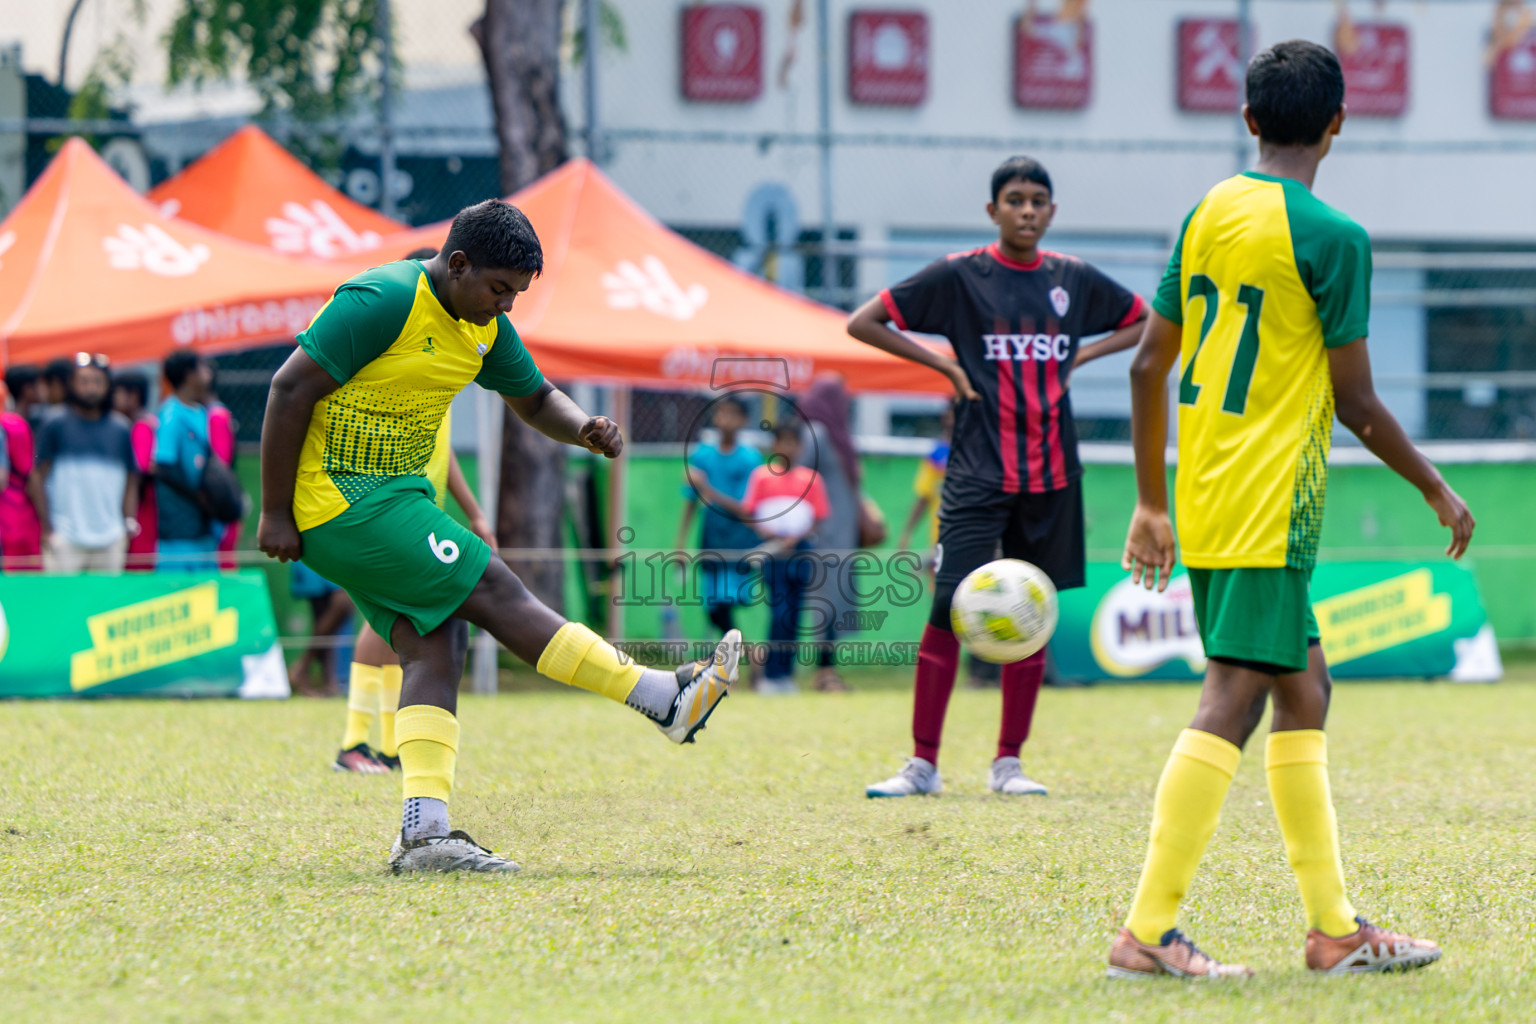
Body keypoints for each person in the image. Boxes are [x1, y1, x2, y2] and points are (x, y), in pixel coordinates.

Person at [1108, 41, 1472, 980]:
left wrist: (1152, 500)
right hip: (1271, 499)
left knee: (1304, 687)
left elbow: (1149, 363)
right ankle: (1148, 933)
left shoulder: (1207, 211)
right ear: (1339, 124)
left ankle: (1333, 931)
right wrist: (1432, 484)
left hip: (1209, 485)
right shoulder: (1333, 237)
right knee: (1232, 697)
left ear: (1249, 120)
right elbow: (1355, 401)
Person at [258, 199, 740, 874]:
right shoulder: (382, 299)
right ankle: (661, 697)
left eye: (517, 295)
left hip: (392, 498)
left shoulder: (480, 323)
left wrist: (584, 428)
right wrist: (274, 512)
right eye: (499, 290)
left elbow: (536, 398)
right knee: (490, 586)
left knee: (435, 640)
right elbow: (287, 390)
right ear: (458, 265)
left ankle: (425, 834)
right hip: (339, 498)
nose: (506, 307)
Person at [848, 154, 1148, 799]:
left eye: (1038, 201)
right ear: (993, 210)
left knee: (1030, 611)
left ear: (1052, 211)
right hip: (977, 473)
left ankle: (1008, 763)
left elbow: (1146, 319)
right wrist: (948, 370)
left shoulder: (1072, 278)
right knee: (947, 606)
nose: (1027, 211)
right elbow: (863, 321)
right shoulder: (961, 277)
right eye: (1014, 200)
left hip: (1051, 472)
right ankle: (921, 765)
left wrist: (1080, 354)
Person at [335, 412, 497, 774]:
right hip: (392, 512)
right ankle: (353, 744)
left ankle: (392, 749)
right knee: (381, 621)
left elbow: (443, 449)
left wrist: (475, 513)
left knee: (401, 624)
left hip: (422, 515)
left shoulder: (443, 383)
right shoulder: (410, 374)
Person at [896, 408, 999, 690]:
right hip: (942, 544)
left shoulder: (982, 451)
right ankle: (952, 672)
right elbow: (923, 496)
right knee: (948, 609)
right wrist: (906, 534)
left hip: (978, 541)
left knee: (981, 605)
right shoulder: (937, 456)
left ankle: (984, 671)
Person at [739, 425, 831, 695]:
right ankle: (771, 674)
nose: (788, 448)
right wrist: (774, 535)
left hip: (801, 551)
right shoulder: (761, 477)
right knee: (778, 611)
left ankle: (786, 676)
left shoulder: (811, 479)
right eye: (784, 442)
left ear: (800, 447)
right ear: (775, 446)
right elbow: (751, 514)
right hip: (774, 552)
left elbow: (819, 517)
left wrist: (797, 537)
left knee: (794, 612)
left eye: (794, 443)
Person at [29, 353, 139, 573]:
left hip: (111, 538)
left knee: (107, 606)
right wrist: (48, 528)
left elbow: (131, 478)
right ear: (73, 385)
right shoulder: (55, 423)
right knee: (64, 605)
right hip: (66, 537)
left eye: (98, 382)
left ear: (108, 386)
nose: (91, 388)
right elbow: (37, 476)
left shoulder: (121, 429)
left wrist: (127, 523)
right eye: (84, 381)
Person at [794, 374, 863, 693]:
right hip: (824, 534)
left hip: (841, 532)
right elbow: (799, 477)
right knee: (826, 602)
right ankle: (822, 673)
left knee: (834, 601)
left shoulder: (835, 433)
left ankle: (826, 671)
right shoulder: (818, 433)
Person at [676, 395, 761, 642]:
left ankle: (746, 654)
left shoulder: (749, 459)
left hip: (738, 538)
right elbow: (690, 502)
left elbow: (745, 509)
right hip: (711, 536)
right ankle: (747, 655)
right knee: (712, 606)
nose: (725, 419)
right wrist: (680, 544)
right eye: (721, 413)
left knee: (726, 602)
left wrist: (707, 488)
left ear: (744, 420)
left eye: (732, 414)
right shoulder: (702, 456)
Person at [155, 352, 224, 572]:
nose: (208, 373)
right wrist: (199, 496)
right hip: (178, 526)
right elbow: (164, 467)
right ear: (189, 375)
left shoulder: (201, 412)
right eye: (202, 367)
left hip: (203, 525)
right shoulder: (171, 414)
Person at [113, 373, 159, 571]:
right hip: (143, 508)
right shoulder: (142, 423)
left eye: (117, 393)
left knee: (138, 564)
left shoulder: (141, 427)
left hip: (143, 510)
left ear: (134, 396)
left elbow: (138, 472)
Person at [1, 369, 43, 572]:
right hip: (15, 513)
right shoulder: (15, 425)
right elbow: (30, 475)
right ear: (28, 389)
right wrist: (47, 523)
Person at [206, 375, 242, 570]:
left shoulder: (216, 416)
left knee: (223, 563)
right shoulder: (210, 413)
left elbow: (219, 469)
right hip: (221, 504)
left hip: (222, 505)